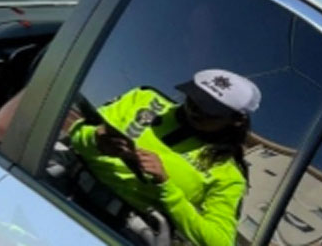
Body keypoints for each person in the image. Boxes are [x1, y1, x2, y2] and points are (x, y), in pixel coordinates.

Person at [65, 69, 260, 246]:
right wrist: (95, 139)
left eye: (208, 111)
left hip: (122, 232)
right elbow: (78, 132)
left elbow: (219, 241)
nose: (194, 111)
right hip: (61, 185)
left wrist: (166, 186)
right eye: (193, 99)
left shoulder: (229, 174)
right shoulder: (145, 99)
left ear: (236, 120)